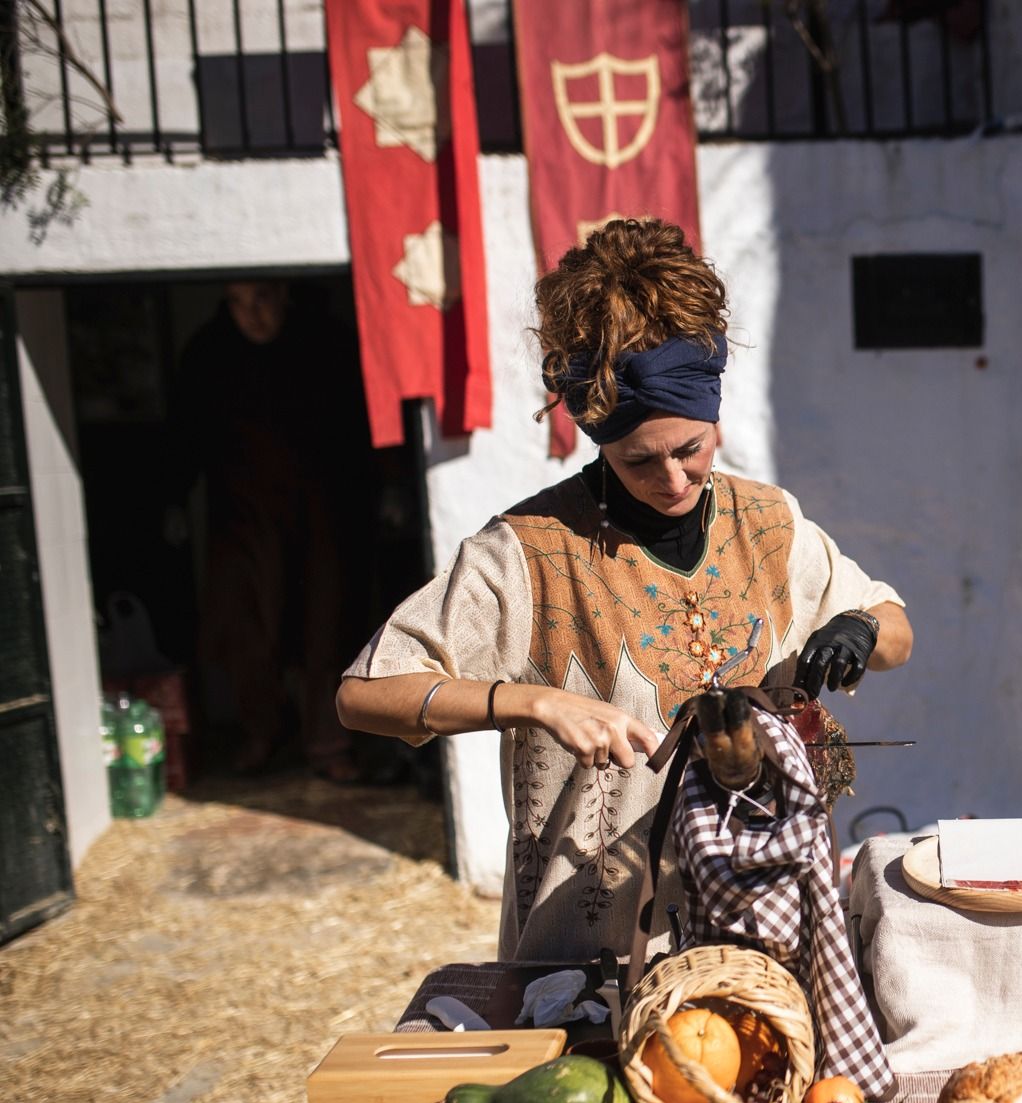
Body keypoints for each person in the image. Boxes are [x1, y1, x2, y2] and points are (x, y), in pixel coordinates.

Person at [335, 219, 913, 961]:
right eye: (639, 461)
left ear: (715, 420)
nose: (672, 479)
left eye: (691, 449)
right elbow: (365, 693)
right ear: (599, 439)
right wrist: (531, 702)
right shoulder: (528, 552)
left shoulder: (768, 522)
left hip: (766, 943)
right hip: (590, 954)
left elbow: (895, 631)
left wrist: (861, 627)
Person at [174, 279, 368, 782]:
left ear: (283, 292)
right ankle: (262, 729)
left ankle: (329, 741)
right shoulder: (209, 353)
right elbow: (186, 431)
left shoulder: (326, 344)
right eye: (237, 303)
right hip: (243, 512)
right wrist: (172, 498)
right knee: (245, 626)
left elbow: (358, 425)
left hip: (322, 507)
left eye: (260, 298)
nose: (251, 315)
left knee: (326, 621)